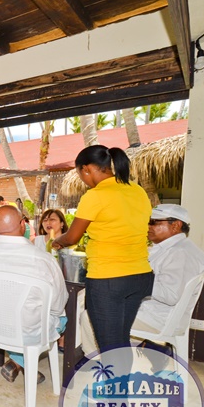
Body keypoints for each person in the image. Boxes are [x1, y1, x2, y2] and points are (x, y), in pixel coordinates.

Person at [53, 145, 153, 352]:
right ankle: (120, 374)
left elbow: (72, 237)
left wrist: (57, 241)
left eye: (80, 174)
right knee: (120, 342)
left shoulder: (95, 195)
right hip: (140, 276)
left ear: (86, 169)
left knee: (111, 349)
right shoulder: (138, 191)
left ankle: (115, 375)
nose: (83, 180)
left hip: (109, 279)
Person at [0, 206, 68, 383]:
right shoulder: (44, 260)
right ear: (22, 225)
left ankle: (18, 361)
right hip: (31, 332)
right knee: (62, 317)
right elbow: (58, 305)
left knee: (12, 317)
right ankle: (22, 361)